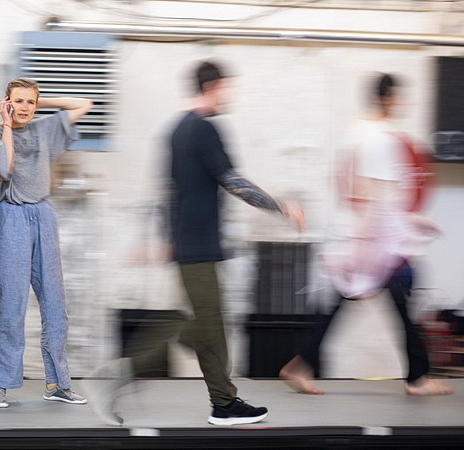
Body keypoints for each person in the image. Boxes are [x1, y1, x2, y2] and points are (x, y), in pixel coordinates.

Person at [85, 61, 306, 427]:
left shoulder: (176, 130)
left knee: (211, 329)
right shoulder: (205, 129)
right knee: (202, 326)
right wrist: (280, 207)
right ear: (215, 86)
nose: (230, 95)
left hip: (189, 247)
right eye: (227, 87)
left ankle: (224, 403)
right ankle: (116, 375)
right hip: (199, 249)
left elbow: (170, 192)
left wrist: (168, 241)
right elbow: (233, 182)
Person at [279, 73, 453, 397]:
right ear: (386, 99)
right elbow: (375, 197)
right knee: (402, 302)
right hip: (375, 245)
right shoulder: (382, 140)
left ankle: (302, 364)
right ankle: (417, 378)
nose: (402, 103)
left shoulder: (354, 132)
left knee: (350, 304)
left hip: (357, 239)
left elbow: (353, 190)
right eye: (398, 97)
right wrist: (373, 247)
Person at [0, 78, 93, 408]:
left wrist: (40, 101)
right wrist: (7, 124)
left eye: (30, 102)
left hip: (43, 216)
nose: (25, 107)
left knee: (55, 304)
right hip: (10, 217)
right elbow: (4, 167)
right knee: (10, 305)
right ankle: (1, 384)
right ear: (6, 102)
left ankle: (58, 383)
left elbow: (84, 104)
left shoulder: (45, 128)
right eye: (19, 101)